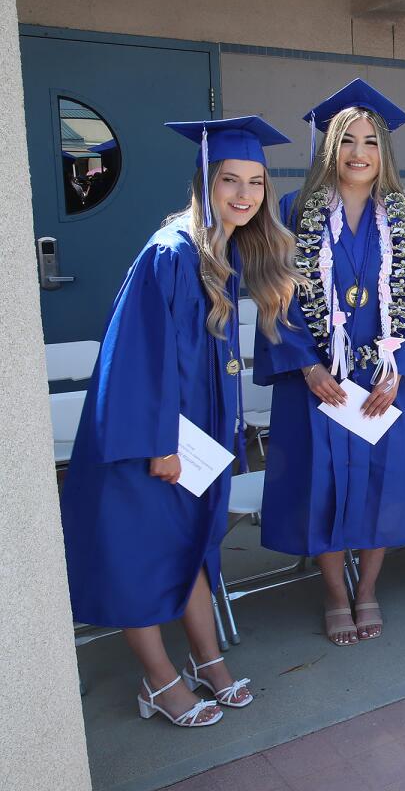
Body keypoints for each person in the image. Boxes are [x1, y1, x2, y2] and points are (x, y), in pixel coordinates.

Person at [59, 116, 297, 726]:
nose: (244, 194)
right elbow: (140, 355)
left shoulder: (222, 252)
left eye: (255, 182)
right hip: (149, 443)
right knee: (142, 554)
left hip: (192, 441)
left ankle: (208, 663)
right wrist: (160, 444)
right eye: (229, 180)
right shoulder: (173, 251)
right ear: (205, 181)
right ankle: (159, 681)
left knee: (192, 548)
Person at [255, 79, 405, 646]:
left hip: (381, 383)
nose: (359, 153)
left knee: (383, 486)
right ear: (328, 148)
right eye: (347, 141)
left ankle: (368, 592)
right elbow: (276, 296)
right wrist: (306, 365)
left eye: (370, 141)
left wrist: (400, 369)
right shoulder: (294, 210)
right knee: (323, 486)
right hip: (318, 384)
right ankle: (336, 595)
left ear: (384, 152)